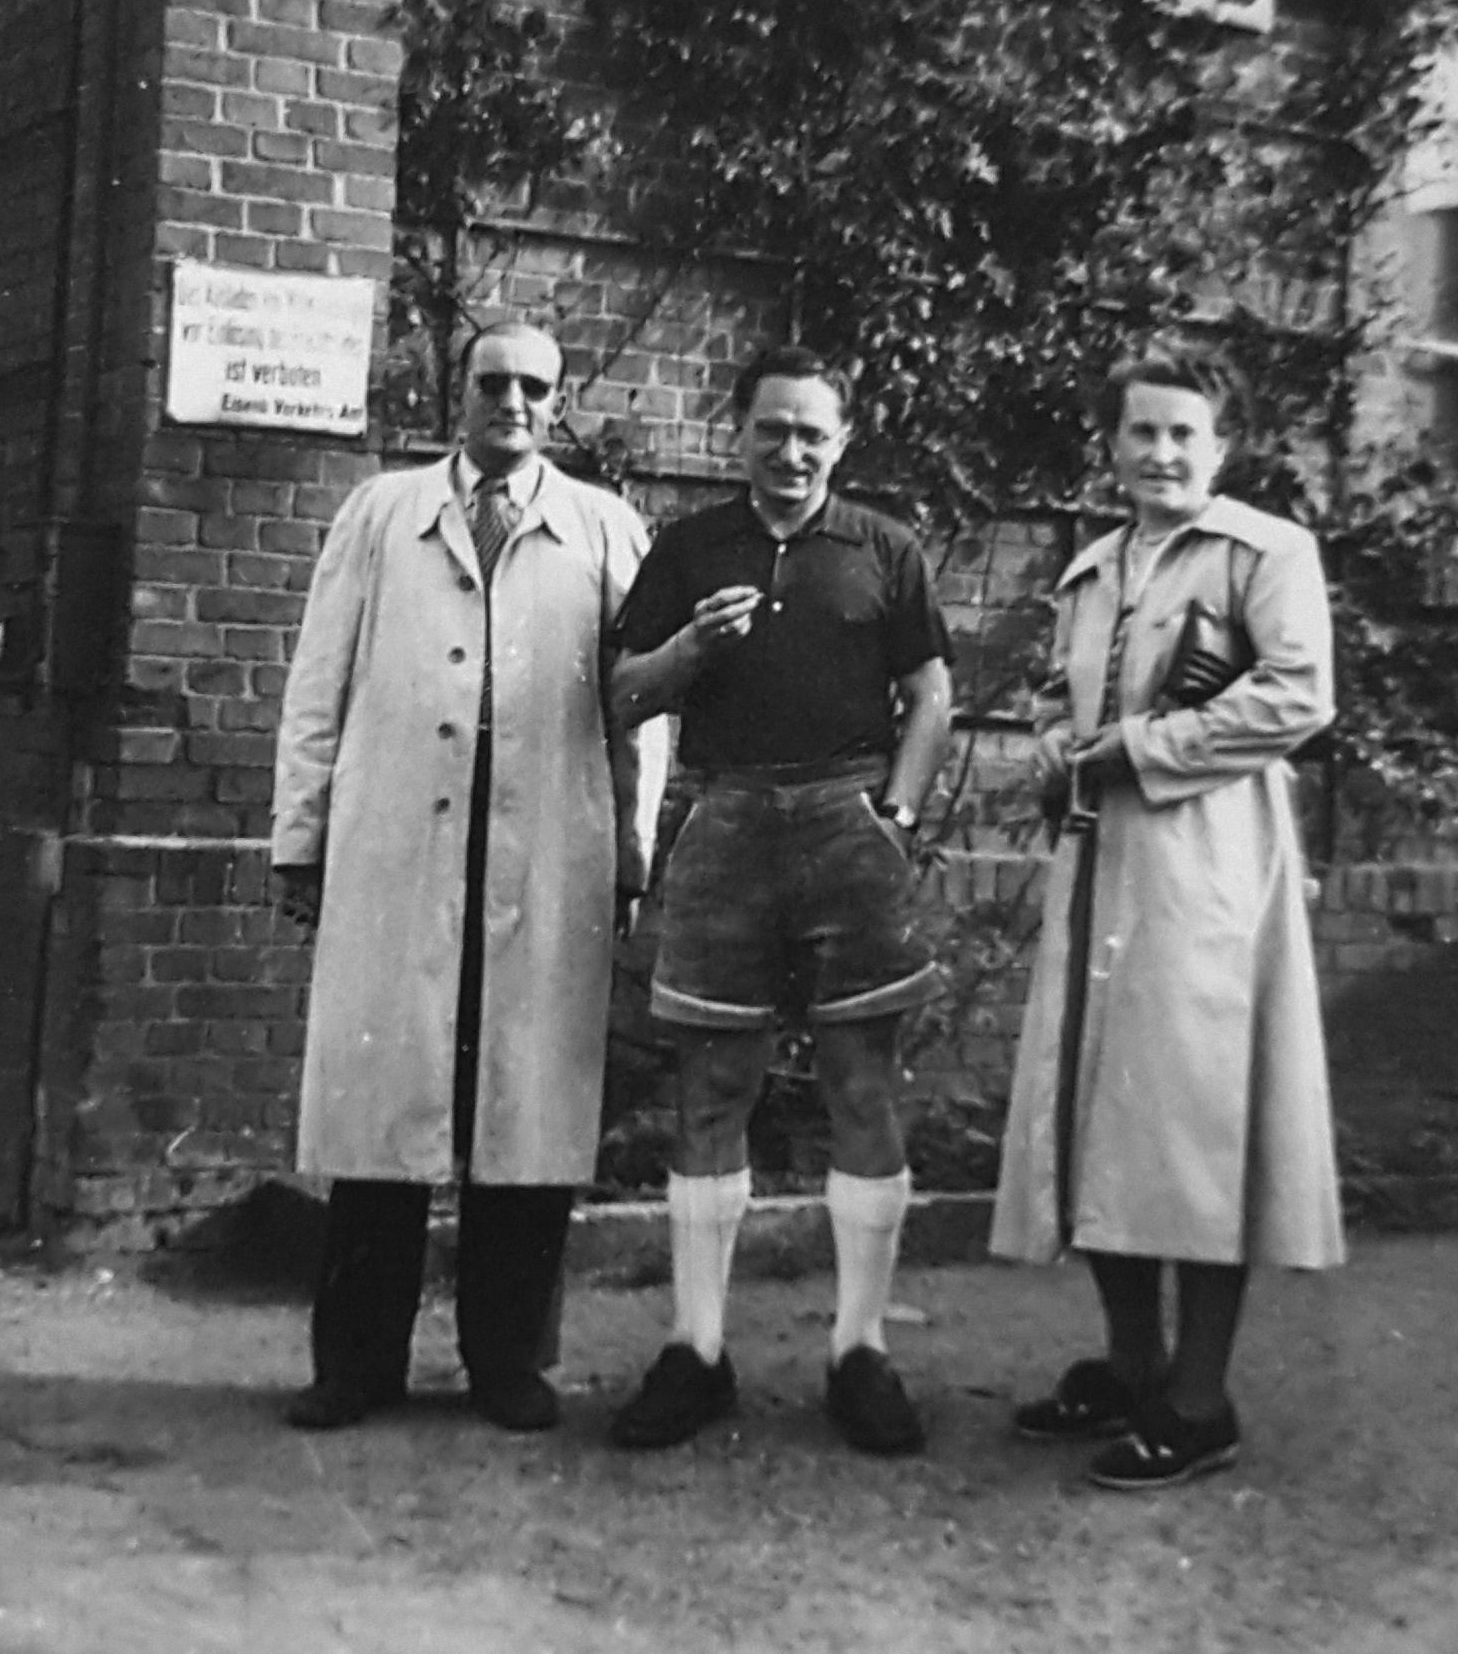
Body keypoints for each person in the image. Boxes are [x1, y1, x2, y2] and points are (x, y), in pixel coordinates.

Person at [270, 322, 665, 1434]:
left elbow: (640, 710)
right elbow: (317, 685)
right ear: (459, 391)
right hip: (398, 846)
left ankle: (507, 1365)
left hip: (546, 852)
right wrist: (298, 839)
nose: (514, 401)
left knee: (524, 1114)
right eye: (492, 382)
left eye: (535, 386)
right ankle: (355, 1365)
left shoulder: (601, 528)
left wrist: (630, 849)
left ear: (559, 401)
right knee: (379, 1107)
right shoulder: (382, 514)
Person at [989, 336, 1344, 1490]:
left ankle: (1199, 1401)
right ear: (1112, 444)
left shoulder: (1263, 553)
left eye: (1184, 432)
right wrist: (1056, 743)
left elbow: (1296, 695)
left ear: (1221, 446)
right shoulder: (1091, 568)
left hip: (1205, 873)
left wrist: (1140, 747)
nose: (1160, 452)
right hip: (1101, 872)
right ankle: (1132, 1365)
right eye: (1141, 431)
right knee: (1099, 1114)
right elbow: (1059, 692)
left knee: (1192, 1126)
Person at [605, 344, 955, 1456]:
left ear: (840, 442)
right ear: (738, 433)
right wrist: (693, 647)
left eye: (812, 432)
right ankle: (696, 1351)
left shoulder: (886, 548)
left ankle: (860, 1351)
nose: (791, 451)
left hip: (849, 821)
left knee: (861, 1081)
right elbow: (620, 692)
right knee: (713, 1084)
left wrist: (895, 815)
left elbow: (931, 690)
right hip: (726, 819)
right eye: (771, 429)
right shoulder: (687, 546)